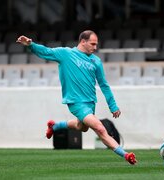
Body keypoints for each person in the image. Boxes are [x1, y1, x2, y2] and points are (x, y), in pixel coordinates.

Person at [16, 30, 137, 165]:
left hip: (90, 103)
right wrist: (30, 45)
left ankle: (55, 126)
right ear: (83, 41)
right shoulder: (66, 54)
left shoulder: (96, 61)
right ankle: (126, 155)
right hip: (76, 102)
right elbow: (46, 51)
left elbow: (103, 85)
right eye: (92, 44)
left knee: (82, 127)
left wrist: (113, 105)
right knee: (100, 128)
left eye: (96, 44)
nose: (95, 47)